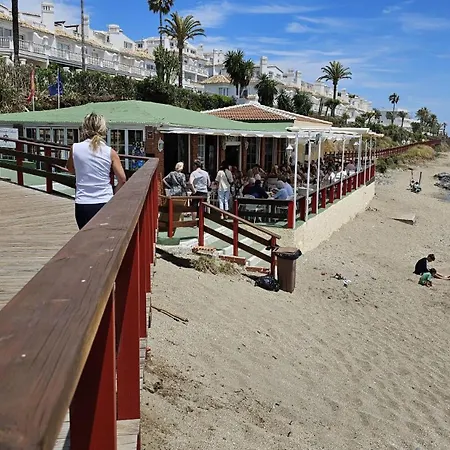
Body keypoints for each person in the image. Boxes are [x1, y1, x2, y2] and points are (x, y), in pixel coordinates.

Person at [67, 112, 126, 230]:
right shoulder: (110, 152)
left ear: (84, 128)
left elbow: (70, 169)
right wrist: (114, 193)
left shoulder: (75, 148)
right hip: (104, 201)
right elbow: (122, 179)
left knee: (85, 236)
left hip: (83, 203)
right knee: (103, 237)